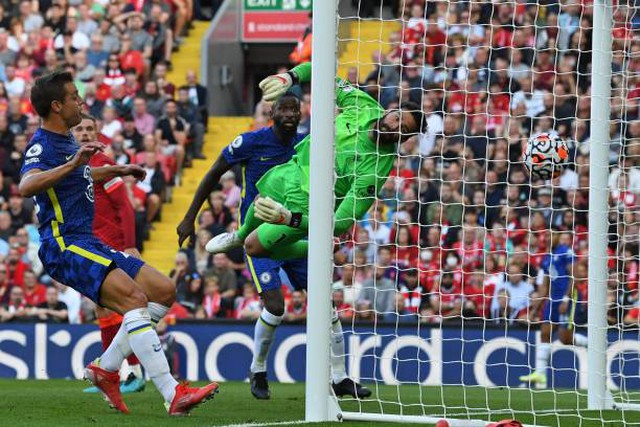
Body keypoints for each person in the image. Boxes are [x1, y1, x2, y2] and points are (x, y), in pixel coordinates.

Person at [18, 70, 218, 415]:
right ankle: (173, 394)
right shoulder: (43, 145)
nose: (80, 101)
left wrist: (115, 171)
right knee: (135, 300)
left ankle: (106, 368)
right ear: (56, 105)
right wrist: (73, 164)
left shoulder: (66, 141)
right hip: (64, 245)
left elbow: (76, 173)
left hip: (88, 240)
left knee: (164, 291)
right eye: (73, 96)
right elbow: (27, 185)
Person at [177, 92, 370, 400]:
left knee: (325, 304)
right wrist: (190, 217)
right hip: (260, 236)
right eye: (285, 108)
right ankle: (258, 369)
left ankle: (340, 377)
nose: (291, 113)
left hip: (295, 232)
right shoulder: (251, 143)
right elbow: (213, 172)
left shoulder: (309, 144)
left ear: (303, 112)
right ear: (273, 112)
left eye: (295, 108)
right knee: (276, 306)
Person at [207, 61, 424, 266]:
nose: (394, 126)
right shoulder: (363, 105)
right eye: (397, 118)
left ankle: (318, 249)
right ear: (390, 110)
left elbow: (338, 224)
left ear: (403, 139)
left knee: (253, 248)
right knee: (258, 202)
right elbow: (321, 71)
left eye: (403, 130)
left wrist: (288, 219)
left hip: (309, 204)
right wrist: (289, 78)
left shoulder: (375, 171)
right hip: (294, 170)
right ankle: (238, 235)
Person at [73, 114, 146, 395]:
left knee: (118, 307)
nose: (85, 133)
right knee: (102, 308)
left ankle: (131, 373)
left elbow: (125, 207)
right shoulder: (76, 165)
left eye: (90, 128)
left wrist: (129, 244)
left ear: (98, 131)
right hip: (91, 245)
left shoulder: (102, 164)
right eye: (79, 128)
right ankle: (114, 374)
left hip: (111, 245)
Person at [519, 231, 587, 388]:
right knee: (545, 332)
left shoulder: (566, 252)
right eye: (547, 236)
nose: (549, 238)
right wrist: (535, 310)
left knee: (564, 338)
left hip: (568, 298)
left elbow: (575, 276)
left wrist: (566, 299)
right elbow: (545, 286)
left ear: (559, 236)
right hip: (552, 300)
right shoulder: (547, 258)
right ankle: (540, 374)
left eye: (553, 235)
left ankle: (592, 344)